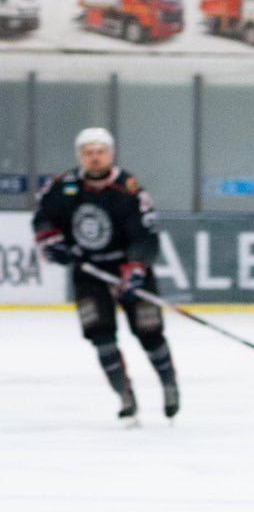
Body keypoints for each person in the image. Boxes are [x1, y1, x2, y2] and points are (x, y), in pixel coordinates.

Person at [32, 128, 178, 423]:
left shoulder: (129, 189)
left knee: (149, 331)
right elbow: (44, 218)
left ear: (110, 154)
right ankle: (125, 395)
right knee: (101, 336)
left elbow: (146, 234)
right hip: (88, 271)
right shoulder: (62, 186)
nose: (94, 158)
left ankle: (169, 384)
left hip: (128, 268)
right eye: (88, 152)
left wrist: (136, 268)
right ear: (80, 156)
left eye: (100, 152)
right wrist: (50, 240)